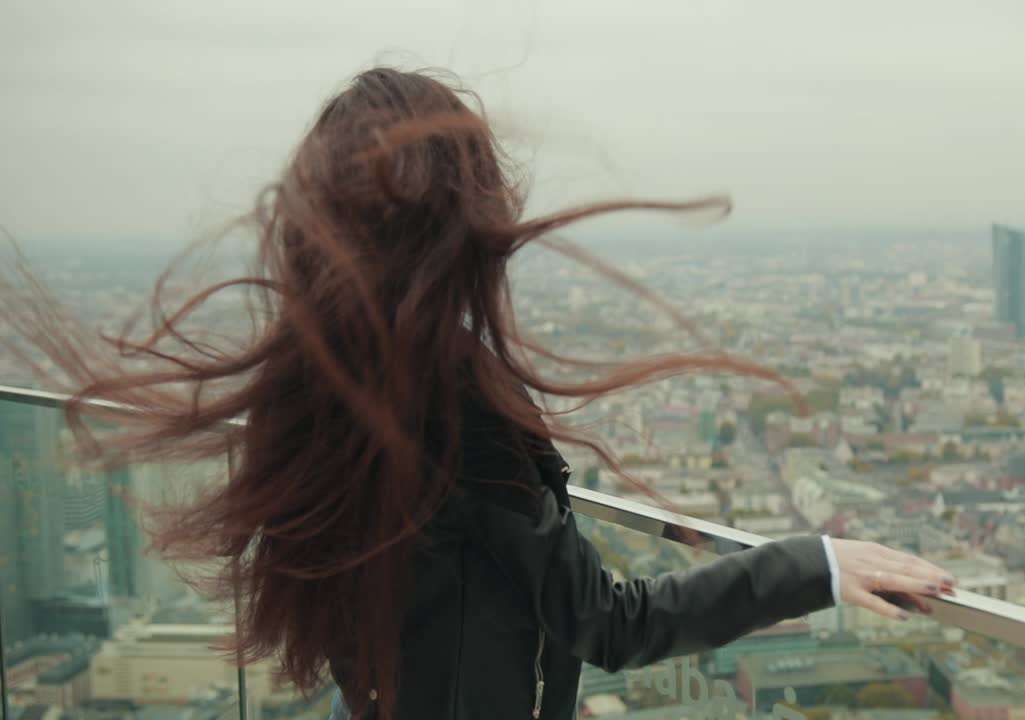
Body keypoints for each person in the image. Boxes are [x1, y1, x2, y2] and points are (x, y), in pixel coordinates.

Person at [0, 68, 954, 720]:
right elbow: (608, 623)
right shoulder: (456, 408)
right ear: (462, 227)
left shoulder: (309, 388)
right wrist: (813, 564)